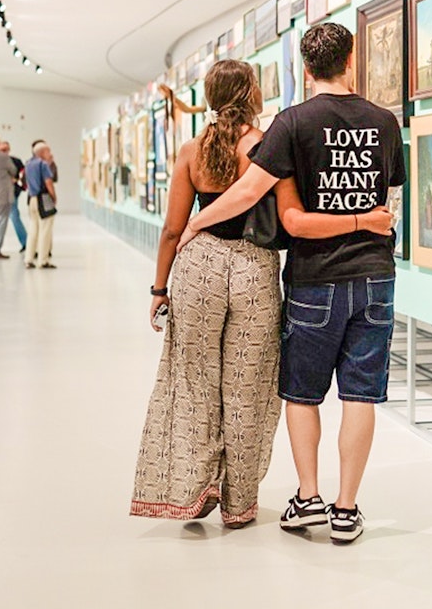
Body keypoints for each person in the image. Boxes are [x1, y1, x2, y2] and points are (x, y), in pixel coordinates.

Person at [131, 59, 391, 530]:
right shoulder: (268, 143)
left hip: (200, 267)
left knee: (194, 384)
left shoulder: (191, 151)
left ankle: (194, 489)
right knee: (248, 389)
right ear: (252, 93)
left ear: (210, 98)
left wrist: (159, 287)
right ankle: (239, 504)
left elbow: (171, 229)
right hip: (253, 268)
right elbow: (280, 207)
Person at [24, 141, 57, 270]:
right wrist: (54, 196)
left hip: (31, 199)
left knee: (33, 230)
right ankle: (43, 260)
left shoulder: (28, 164)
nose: (50, 153)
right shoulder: (43, 165)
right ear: (42, 152)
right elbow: (48, 182)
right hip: (43, 198)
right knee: (45, 229)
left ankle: (28, 258)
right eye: (48, 151)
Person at [1, 140, 28, 252]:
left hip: (12, 193)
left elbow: (22, 175)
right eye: (2, 150)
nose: (4, 152)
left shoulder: (16, 161)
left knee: (14, 216)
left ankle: (26, 242)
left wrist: (18, 184)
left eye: (6, 149)